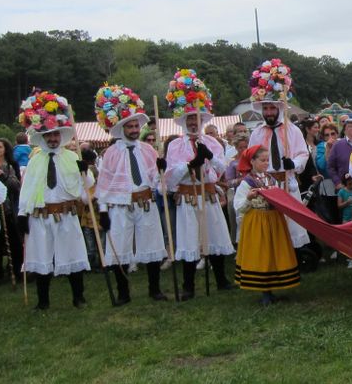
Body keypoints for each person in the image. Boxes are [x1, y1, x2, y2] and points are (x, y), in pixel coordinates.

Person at [15, 89, 91, 309]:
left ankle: (78, 297)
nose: (53, 138)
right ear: (42, 137)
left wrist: (85, 172)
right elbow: (26, 189)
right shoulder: (35, 161)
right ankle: (43, 301)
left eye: (56, 134)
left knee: (72, 254)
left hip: (66, 214)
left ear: (62, 135)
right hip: (41, 216)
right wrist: (22, 214)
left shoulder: (72, 157)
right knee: (42, 259)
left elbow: (86, 190)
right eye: (48, 135)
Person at [164, 69, 236, 300]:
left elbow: (223, 169)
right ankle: (188, 286)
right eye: (190, 119)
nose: (194, 123)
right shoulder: (175, 146)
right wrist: (189, 165)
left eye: (197, 118)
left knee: (214, 237)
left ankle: (222, 280)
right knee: (189, 239)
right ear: (184, 121)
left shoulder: (212, 142)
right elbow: (170, 178)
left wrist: (209, 157)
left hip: (209, 195)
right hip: (187, 197)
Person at [93, 84, 167, 304]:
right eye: (130, 126)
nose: (135, 130)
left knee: (152, 244)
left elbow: (156, 179)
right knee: (120, 247)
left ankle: (155, 289)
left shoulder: (148, 149)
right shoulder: (111, 153)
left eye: (136, 126)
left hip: (145, 202)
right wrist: (103, 210)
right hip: (120, 206)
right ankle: (123, 292)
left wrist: (161, 168)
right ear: (122, 128)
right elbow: (104, 184)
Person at [247, 59, 311, 250]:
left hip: (287, 182)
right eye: (265, 108)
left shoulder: (292, 130)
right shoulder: (257, 133)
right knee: (270, 226)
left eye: (272, 108)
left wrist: (294, 163)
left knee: (291, 225)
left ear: (279, 108)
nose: (268, 112)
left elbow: (303, 153)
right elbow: (250, 159)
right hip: (267, 185)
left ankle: (295, 259)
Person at [233, 145, 300, 306]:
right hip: (257, 221)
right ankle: (264, 292)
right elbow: (239, 206)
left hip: (273, 220)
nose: (265, 163)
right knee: (261, 254)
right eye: (262, 160)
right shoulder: (246, 183)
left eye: (267, 160)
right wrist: (249, 198)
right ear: (252, 161)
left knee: (274, 253)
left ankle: (273, 288)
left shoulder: (271, 179)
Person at [0, 138, 21, 283]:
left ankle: (17, 270)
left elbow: (16, 186)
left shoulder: (10, 166)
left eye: (0, 147)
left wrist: (3, 177)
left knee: (14, 243)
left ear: (5, 149)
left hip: (8, 210)